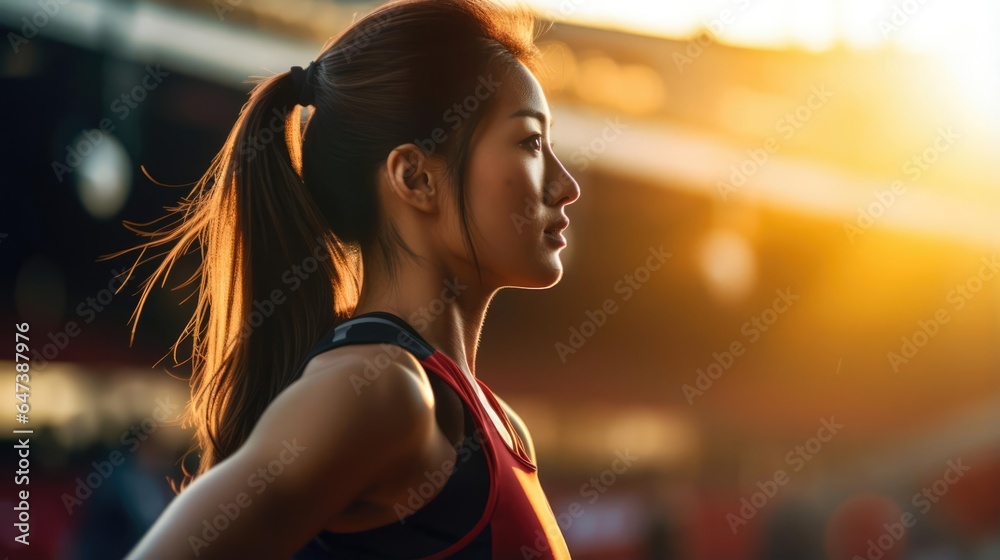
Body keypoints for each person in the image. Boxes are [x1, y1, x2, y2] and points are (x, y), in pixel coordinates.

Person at [120, 0, 580, 557]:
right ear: (415, 177)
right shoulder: (380, 389)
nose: (566, 184)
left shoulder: (498, 425)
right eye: (531, 142)